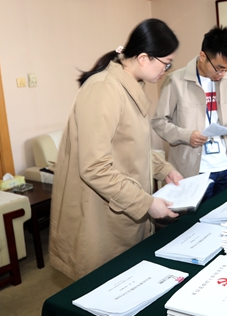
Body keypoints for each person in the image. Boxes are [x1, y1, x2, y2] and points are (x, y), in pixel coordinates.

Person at [49, 19, 183, 280]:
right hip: (99, 213)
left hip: (123, 205)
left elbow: (131, 146)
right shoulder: (103, 89)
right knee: (103, 285)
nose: (166, 70)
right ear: (143, 58)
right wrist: (146, 203)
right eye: (166, 63)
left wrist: (163, 170)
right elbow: (94, 167)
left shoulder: (129, 85)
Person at [152, 26, 227, 200]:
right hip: (193, 170)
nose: (222, 74)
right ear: (203, 56)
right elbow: (159, 122)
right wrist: (187, 135)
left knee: (223, 215)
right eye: (219, 68)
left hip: (224, 167)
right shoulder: (176, 81)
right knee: (196, 218)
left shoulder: (226, 80)